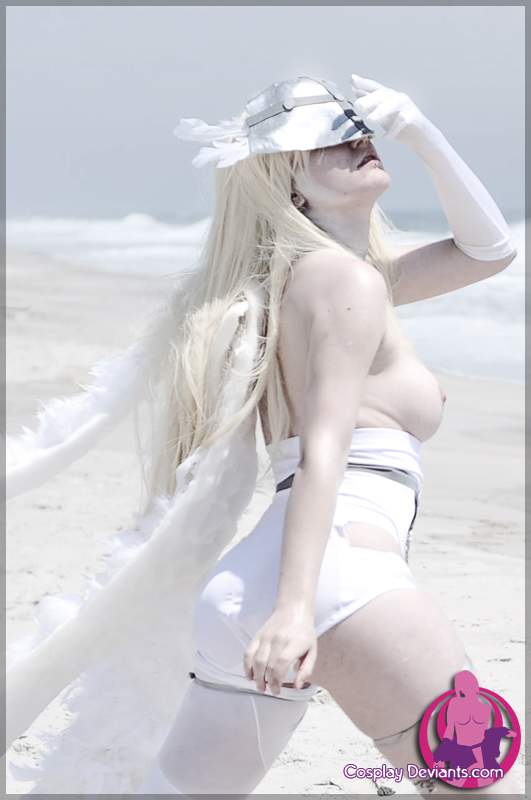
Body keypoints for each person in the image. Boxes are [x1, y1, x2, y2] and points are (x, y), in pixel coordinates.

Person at [5, 75, 518, 796]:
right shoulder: (346, 284)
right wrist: (295, 609)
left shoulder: (319, 281)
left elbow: (490, 251)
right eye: (330, 142)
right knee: (479, 781)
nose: (358, 142)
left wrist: (418, 131)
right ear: (289, 183)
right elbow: (324, 450)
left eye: (359, 131)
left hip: (250, 591)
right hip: (332, 578)